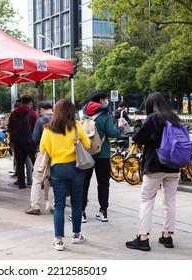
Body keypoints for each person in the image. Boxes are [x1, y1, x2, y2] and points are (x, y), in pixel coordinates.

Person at [126, 92, 181, 251]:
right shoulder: (174, 118)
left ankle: (143, 238)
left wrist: (137, 124)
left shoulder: (153, 118)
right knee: (170, 201)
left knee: (147, 200)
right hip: (173, 166)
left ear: (150, 105)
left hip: (155, 166)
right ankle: (167, 236)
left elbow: (138, 138)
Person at [40, 98, 90, 251]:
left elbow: (43, 149)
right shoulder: (76, 126)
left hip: (57, 168)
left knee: (59, 205)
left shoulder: (48, 128)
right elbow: (87, 145)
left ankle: (59, 240)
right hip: (76, 167)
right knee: (76, 202)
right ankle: (76, 235)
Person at [79, 90, 124, 223]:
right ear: (100, 101)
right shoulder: (106, 115)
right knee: (103, 184)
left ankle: (81, 213)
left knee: (83, 184)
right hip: (102, 155)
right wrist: (121, 128)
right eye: (105, 99)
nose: (106, 101)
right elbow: (112, 133)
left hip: (86, 154)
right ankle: (103, 212)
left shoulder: (81, 114)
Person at [25, 100, 54, 215]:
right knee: (54, 179)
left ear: (41, 109)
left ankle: (35, 205)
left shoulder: (41, 121)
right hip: (57, 153)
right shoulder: (59, 119)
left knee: (37, 179)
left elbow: (35, 138)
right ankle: (54, 205)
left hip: (43, 153)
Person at [8, 95, 37, 189]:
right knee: (35, 161)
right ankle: (39, 182)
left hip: (17, 141)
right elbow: (35, 127)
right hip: (29, 141)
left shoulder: (14, 113)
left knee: (20, 163)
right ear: (30, 103)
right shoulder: (32, 113)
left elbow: (10, 127)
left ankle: (21, 183)